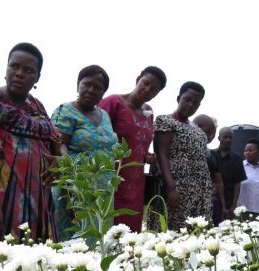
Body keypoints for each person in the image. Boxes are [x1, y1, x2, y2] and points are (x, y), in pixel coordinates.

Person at [0, 42, 60, 243]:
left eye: (28, 70)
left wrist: (58, 162)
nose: (19, 73)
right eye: (14, 66)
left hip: (39, 198)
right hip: (0, 198)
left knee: (36, 261)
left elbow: (54, 140)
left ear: (37, 77)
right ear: (6, 68)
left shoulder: (37, 106)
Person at [50, 65, 118, 240]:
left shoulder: (104, 115)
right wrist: (73, 181)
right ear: (78, 85)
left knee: (99, 237)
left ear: (103, 93)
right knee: (74, 238)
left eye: (97, 87)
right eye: (86, 84)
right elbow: (58, 145)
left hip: (102, 189)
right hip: (74, 186)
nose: (90, 90)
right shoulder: (65, 110)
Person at [98, 66, 167, 232]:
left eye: (154, 89)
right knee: (108, 229)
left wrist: (148, 156)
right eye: (145, 83)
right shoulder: (114, 102)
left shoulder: (148, 111)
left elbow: (140, 144)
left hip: (135, 183)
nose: (147, 89)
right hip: (112, 179)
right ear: (138, 80)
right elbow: (96, 134)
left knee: (131, 234)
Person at [148, 82, 213, 231]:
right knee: (171, 234)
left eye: (195, 103)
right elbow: (161, 155)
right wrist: (171, 189)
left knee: (195, 235)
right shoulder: (166, 121)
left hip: (199, 192)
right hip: (177, 189)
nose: (190, 105)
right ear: (178, 98)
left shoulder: (198, 130)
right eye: (187, 99)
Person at [207, 126, 246, 224]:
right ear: (219, 138)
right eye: (225, 137)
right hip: (211, 198)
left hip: (229, 200)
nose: (228, 139)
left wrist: (233, 206)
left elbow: (237, 184)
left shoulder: (237, 159)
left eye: (230, 137)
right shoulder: (210, 155)